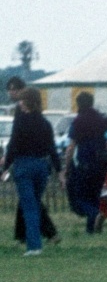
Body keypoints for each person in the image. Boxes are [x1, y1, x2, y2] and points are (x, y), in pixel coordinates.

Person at [4, 87, 60, 254]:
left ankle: (34, 246)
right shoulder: (45, 123)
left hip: (24, 166)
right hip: (42, 167)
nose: (19, 103)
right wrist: (60, 170)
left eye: (21, 100)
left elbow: (13, 146)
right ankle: (36, 241)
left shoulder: (20, 122)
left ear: (26, 102)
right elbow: (52, 149)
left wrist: (5, 166)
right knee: (34, 204)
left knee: (29, 207)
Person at [65, 91, 107, 234]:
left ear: (78, 104)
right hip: (101, 164)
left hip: (84, 164)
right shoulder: (103, 119)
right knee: (94, 197)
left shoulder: (77, 122)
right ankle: (91, 230)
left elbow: (71, 147)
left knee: (79, 198)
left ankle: (95, 214)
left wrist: (66, 167)